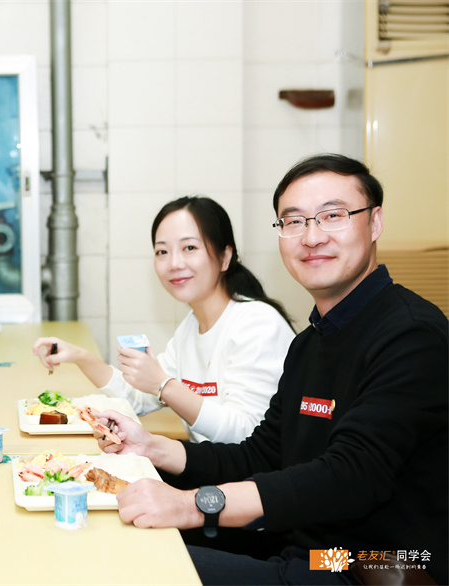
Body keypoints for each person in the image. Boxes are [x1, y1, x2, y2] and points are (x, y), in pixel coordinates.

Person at [94, 154, 448, 585]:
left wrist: (191, 505)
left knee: (138, 570)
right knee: (119, 542)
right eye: (294, 221)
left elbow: (350, 476)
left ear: (374, 223)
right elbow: (260, 455)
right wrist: (151, 448)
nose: (312, 237)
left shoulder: (412, 336)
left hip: (373, 565)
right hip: (311, 549)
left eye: (333, 216)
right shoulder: (310, 343)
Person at [34, 196, 294, 444]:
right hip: (214, 466)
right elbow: (137, 398)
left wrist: (163, 384)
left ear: (225, 257)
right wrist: (80, 356)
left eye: (189, 248)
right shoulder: (190, 327)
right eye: (162, 251)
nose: (174, 263)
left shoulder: (257, 324)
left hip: (255, 474)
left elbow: (246, 435)